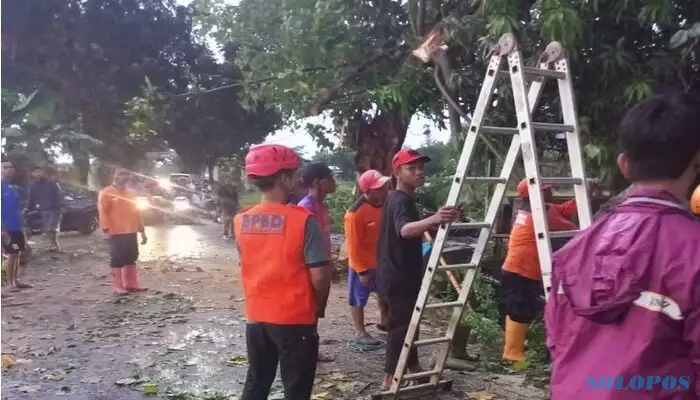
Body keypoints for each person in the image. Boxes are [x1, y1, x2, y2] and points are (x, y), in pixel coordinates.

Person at [545, 92, 700, 400]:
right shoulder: (692, 251)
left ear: (623, 165)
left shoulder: (574, 249)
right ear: (696, 163)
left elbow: (556, 342)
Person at [234, 144, 332, 400]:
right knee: (296, 389)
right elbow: (320, 276)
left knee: (257, 381)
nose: (297, 180)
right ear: (284, 178)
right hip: (295, 318)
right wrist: (317, 307)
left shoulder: (240, 220)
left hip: (256, 317)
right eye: (294, 174)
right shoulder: (303, 220)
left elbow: (246, 262)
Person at [376, 149, 460, 389]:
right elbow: (404, 230)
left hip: (398, 271)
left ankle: (413, 367)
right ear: (397, 173)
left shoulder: (402, 198)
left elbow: (410, 231)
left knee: (408, 322)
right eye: (411, 168)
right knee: (401, 326)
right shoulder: (400, 199)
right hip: (398, 274)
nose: (419, 172)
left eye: (420, 167)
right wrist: (434, 219)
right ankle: (390, 379)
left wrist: (438, 220)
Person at [500, 178, 596, 362]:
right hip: (521, 268)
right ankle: (512, 352)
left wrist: (587, 193)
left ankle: (514, 346)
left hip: (520, 267)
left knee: (520, 306)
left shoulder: (542, 208)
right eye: (546, 190)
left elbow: (564, 210)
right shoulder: (538, 213)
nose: (550, 192)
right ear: (535, 194)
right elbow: (570, 228)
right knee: (520, 308)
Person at [344, 169, 391, 347]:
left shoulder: (387, 203)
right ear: (369, 191)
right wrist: (361, 270)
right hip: (362, 264)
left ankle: (384, 320)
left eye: (384, 185)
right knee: (358, 298)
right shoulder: (355, 214)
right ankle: (360, 332)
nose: (384, 188)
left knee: (385, 293)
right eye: (379, 187)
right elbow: (353, 247)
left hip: (382, 261)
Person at [297, 162, 337, 363]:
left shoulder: (321, 206)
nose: (333, 181)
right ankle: (306, 351)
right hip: (311, 270)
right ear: (317, 182)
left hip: (322, 265)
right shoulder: (305, 208)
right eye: (329, 177)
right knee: (308, 311)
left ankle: (311, 349)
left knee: (314, 313)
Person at [98, 168, 148, 295]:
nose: (124, 177)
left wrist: (142, 230)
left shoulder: (132, 193)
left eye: (127, 175)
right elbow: (103, 212)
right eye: (121, 174)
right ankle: (118, 286)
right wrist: (106, 229)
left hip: (131, 230)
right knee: (117, 258)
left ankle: (131, 284)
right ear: (114, 176)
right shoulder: (106, 192)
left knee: (131, 256)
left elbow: (137, 213)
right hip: (116, 231)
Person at [2, 161, 32, 291]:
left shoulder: (13, 189)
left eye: (11, 167)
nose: (10, 169)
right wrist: (2, 229)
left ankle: (16, 280)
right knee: (12, 254)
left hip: (17, 227)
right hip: (7, 228)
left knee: (18, 253)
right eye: (5, 167)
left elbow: (17, 209)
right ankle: (10, 284)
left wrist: (24, 225)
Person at [25, 166, 63, 251]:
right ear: (32, 174)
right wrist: (27, 208)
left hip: (55, 209)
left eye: (40, 171)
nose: (38, 174)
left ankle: (54, 245)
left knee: (51, 228)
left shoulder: (52, 183)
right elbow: (30, 198)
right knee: (48, 229)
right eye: (36, 172)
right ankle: (54, 245)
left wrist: (61, 206)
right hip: (43, 210)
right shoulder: (33, 185)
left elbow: (59, 195)